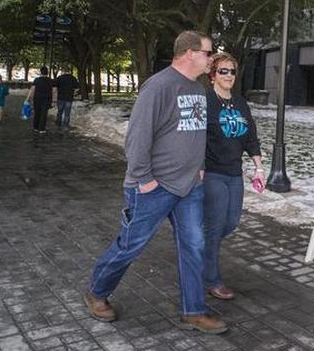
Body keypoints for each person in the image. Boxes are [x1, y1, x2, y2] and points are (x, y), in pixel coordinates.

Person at [85, 30, 225, 333]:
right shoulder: (159, 87)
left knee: (193, 246)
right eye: (207, 53)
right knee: (131, 246)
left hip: (189, 186)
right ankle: (96, 292)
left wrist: (199, 166)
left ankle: (194, 310)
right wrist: (144, 179)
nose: (211, 59)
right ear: (189, 53)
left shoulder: (198, 89)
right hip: (154, 187)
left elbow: (195, 132)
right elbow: (137, 137)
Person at [202, 52, 263, 301]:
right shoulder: (206, 101)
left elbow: (251, 137)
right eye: (223, 71)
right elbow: (197, 137)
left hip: (234, 173)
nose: (228, 76)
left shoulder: (240, 103)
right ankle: (211, 279)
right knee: (216, 227)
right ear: (213, 75)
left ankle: (200, 247)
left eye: (232, 71)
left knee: (231, 222)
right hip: (212, 173)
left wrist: (258, 167)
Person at [26, 67, 53, 134]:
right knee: (43, 114)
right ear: (47, 72)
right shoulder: (50, 81)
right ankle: (42, 129)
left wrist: (28, 98)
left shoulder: (37, 80)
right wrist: (54, 100)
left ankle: (36, 127)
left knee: (37, 113)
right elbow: (54, 90)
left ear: (41, 72)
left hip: (37, 99)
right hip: (46, 99)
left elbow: (32, 89)